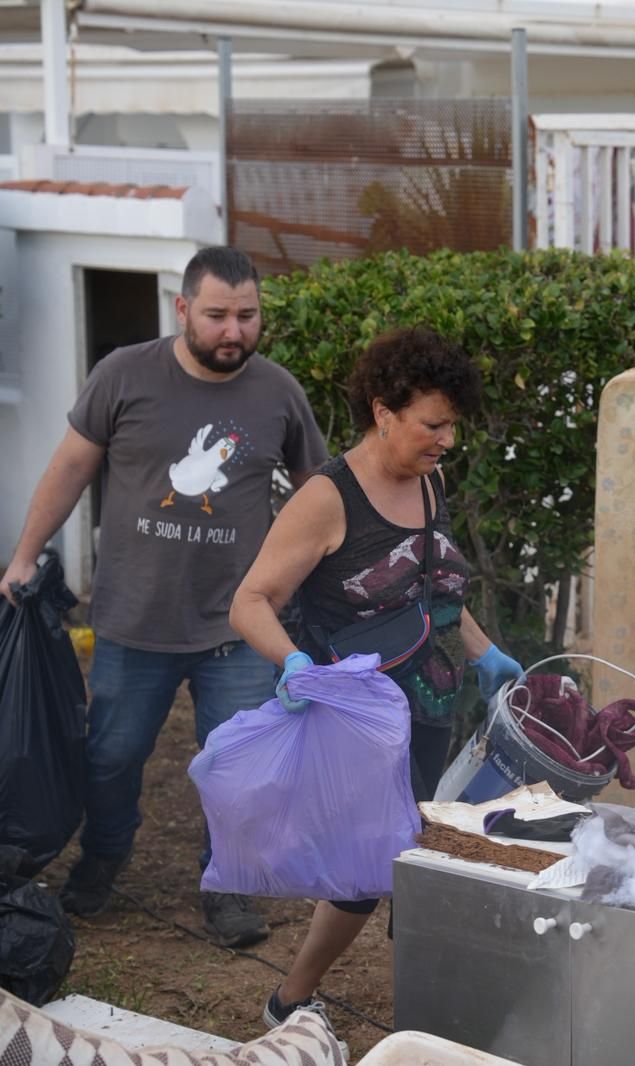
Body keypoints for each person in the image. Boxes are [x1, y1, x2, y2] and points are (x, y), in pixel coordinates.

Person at [0, 247, 329, 947]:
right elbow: (69, 467)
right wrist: (25, 555)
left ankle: (227, 882)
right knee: (111, 758)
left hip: (238, 625)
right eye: (217, 316)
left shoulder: (278, 393)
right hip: (134, 620)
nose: (233, 331)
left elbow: (318, 493)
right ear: (182, 309)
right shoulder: (123, 374)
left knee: (237, 767)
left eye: (247, 316)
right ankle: (104, 855)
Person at [229, 326, 524, 1027]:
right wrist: (293, 662)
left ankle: (327, 998)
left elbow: (431, 592)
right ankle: (310, 1002)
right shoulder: (328, 499)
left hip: (429, 703)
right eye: (433, 424)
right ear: (383, 412)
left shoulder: (430, 480)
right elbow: (249, 601)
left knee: (405, 859)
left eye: (452, 424)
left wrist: (484, 652)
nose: (447, 439)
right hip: (358, 716)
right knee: (385, 864)